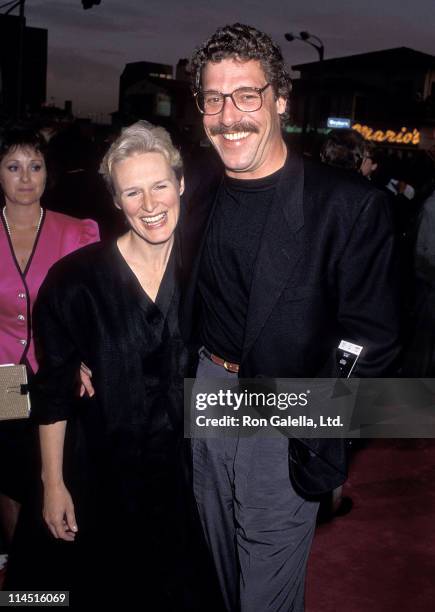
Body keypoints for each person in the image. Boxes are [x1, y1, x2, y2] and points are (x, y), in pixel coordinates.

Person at [181, 23, 400, 611]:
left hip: (285, 408)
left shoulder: (349, 207)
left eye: (247, 95)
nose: (230, 117)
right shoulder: (193, 188)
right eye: (214, 98)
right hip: (206, 391)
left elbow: (373, 341)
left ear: (280, 99)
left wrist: (316, 426)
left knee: (266, 591)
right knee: (217, 562)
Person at [17, 121, 214, 609]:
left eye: (160, 186)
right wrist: (53, 483)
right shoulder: (74, 282)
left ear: (181, 184)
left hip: (187, 484)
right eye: (133, 192)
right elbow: (54, 391)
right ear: (115, 200)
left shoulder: (210, 273)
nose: (150, 205)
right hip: (99, 479)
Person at [0, 126, 99, 565]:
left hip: (56, 373)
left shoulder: (77, 232)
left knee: (53, 475)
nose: (25, 177)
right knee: (8, 473)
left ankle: (45, 566)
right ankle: (15, 563)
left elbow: (91, 310)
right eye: (13, 166)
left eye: (35, 166)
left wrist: (81, 356)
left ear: (48, 173)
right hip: (3, 375)